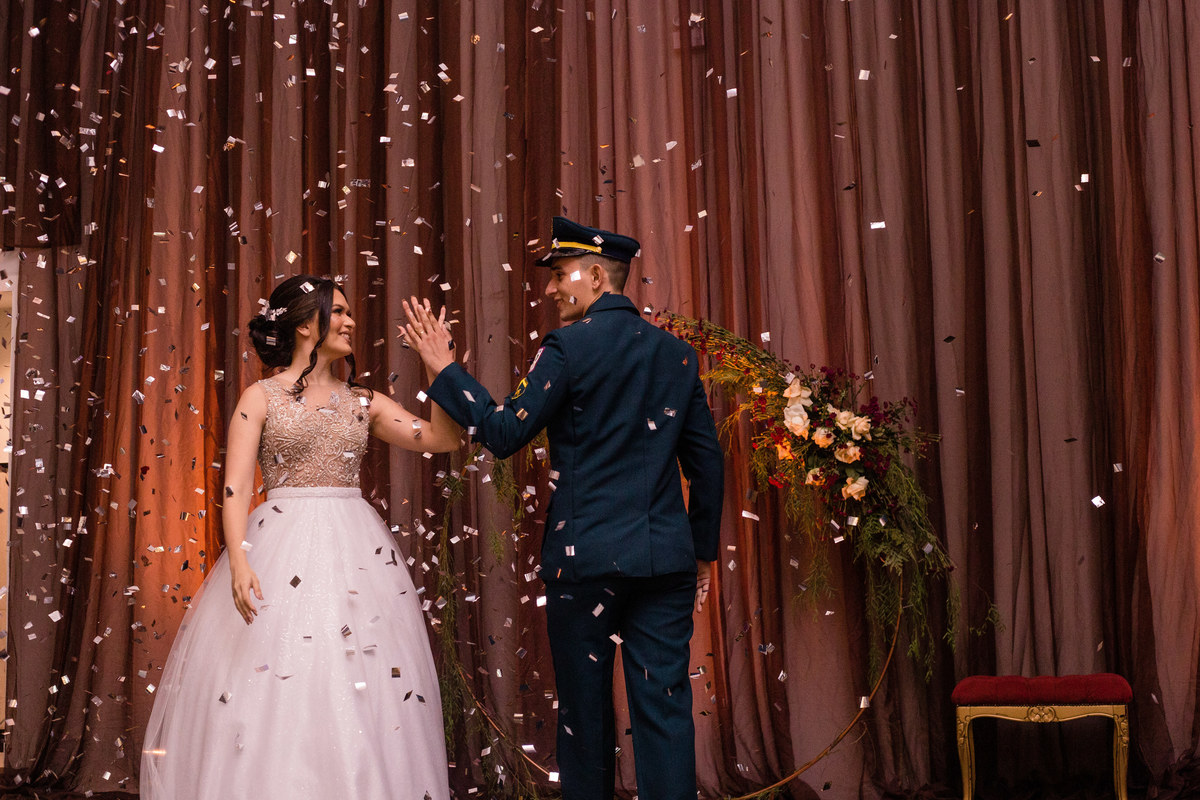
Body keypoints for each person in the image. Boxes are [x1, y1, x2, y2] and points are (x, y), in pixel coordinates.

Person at [402, 216, 725, 800]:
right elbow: (706, 464)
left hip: (585, 564)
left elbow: (503, 432)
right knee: (665, 710)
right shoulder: (678, 355)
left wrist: (444, 369)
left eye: (560, 274)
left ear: (596, 276)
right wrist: (701, 554)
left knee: (585, 715)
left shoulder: (567, 348)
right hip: (666, 562)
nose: (551, 288)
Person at [141, 275, 460, 800]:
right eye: (339, 312)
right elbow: (235, 487)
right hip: (279, 543)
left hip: (355, 552)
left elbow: (443, 438)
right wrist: (239, 561)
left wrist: (439, 370)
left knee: (355, 673)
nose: (351, 321)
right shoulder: (260, 397)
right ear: (306, 324)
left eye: (349, 311)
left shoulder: (364, 401)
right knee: (277, 673)